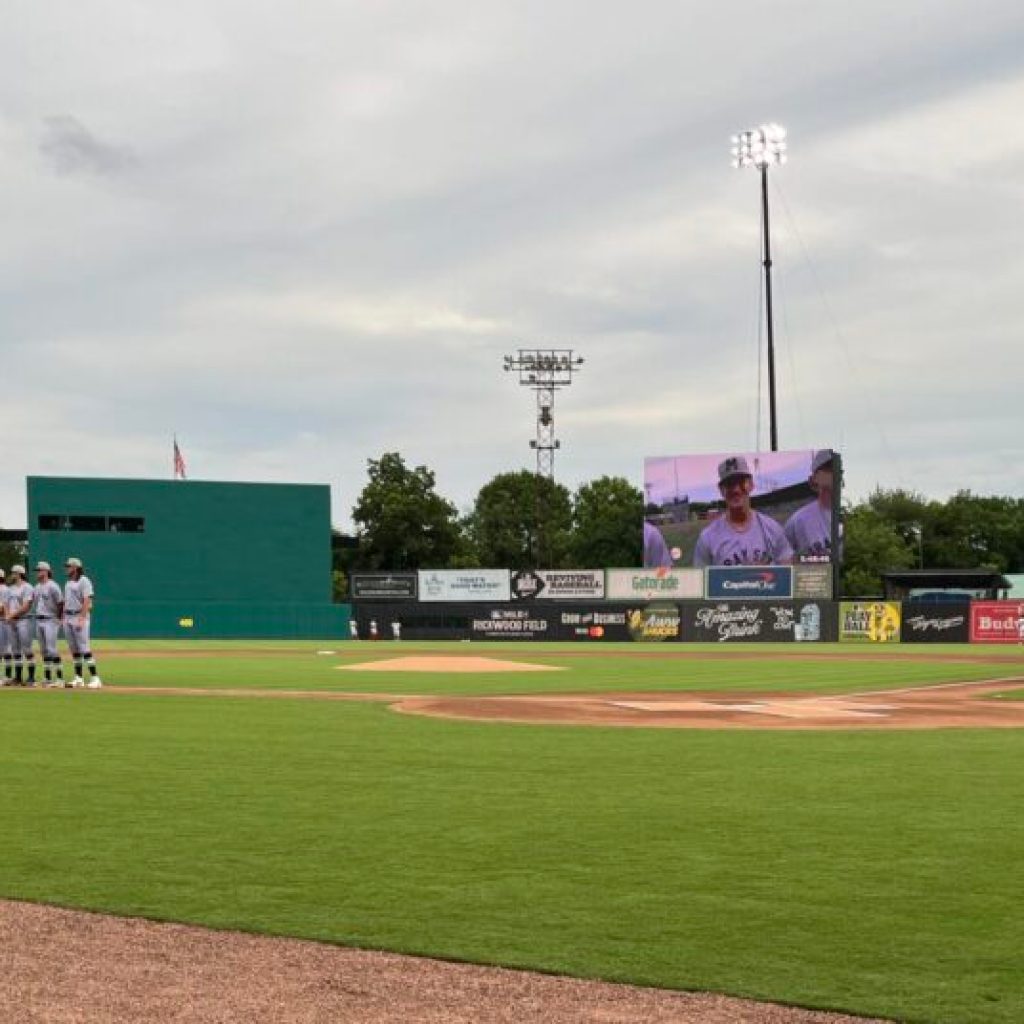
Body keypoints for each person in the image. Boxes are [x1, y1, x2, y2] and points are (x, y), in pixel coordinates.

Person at [692, 455, 793, 567]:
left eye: (740, 482)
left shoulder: (772, 529)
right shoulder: (708, 538)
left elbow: (787, 572)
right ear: (721, 490)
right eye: (730, 484)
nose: (736, 489)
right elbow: (701, 581)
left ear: (751, 484)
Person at [784, 450, 834, 562]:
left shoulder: (852, 517)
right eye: (828, 468)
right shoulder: (798, 520)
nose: (833, 473)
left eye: (836, 468)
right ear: (814, 478)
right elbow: (782, 561)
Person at [63, 557, 101, 689]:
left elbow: (87, 600)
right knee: (74, 650)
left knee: (84, 648)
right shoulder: (68, 583)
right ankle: (78, 678)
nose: (66, 568)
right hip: (68, 617)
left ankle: (95, 678)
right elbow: (66, 602)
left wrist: (82, 618)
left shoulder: (84, 580)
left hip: (79, 616)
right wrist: (63, 617)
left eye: (68, 566)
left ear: (75, 567)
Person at [33, 561, 65, 687]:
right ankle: (47, 677)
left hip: (51, 620)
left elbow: (61, 603)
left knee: (52, 649)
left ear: (46, 571)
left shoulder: (53, 586)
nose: (37, 572)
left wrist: (59, 618)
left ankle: (60, 679)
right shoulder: (37, 586)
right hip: (39, 620)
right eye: (37, 570)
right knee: (44, 650)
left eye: (39, 570)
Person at [4, 564, 37, 686]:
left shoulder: (27, 587)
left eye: (14, 573)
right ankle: (18, 677)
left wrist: (11, 616)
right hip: (12, 621)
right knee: (15, 650)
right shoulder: (10, 588)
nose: (12, 575)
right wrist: (8, 616)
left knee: (27, 649)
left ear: (19, 574)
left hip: (24, 620)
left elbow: (26, 606)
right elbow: (6, 604)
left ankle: (31, 678)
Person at [0, 569, 11, 683]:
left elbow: (2, 608)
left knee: (6, 649)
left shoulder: (4, 590)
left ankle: (7, 676)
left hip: (3, 621)